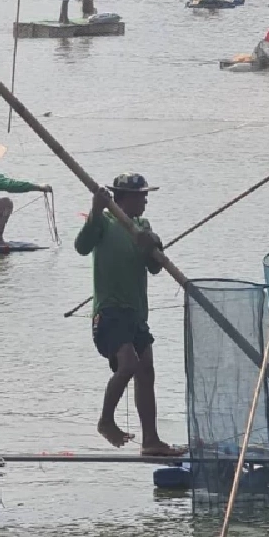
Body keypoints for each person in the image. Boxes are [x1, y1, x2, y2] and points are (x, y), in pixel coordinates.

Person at [75, 173, 182, 454]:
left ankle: (151, 441)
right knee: (129, 364)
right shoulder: (105, 222)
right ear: (124, 198)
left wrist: (152, 244)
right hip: (110, 311)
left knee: (146, 369)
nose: (145, 200)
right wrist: (97, 209)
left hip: (136, 314)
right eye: (140, 196)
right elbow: (82, 247)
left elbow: (155, 267)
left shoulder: (141, 226)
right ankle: (106, 420)